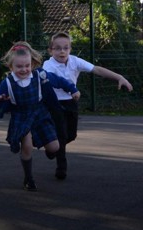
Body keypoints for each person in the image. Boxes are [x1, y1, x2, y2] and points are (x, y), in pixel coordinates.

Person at [43, 32, 133, 180]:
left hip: (71, 102)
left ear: (70, 49)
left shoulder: (74, 61)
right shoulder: (48, 65)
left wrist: (119, 77)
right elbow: (55, 80)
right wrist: (71, 89)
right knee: (61, 134)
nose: (62, 51)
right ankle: (61, 168)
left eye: (66, 48)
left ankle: (52, 148)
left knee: (71, 135)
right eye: (57, 48)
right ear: (50, 50)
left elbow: (96, 69)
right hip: (54, 103)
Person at [0, 41, 80, 191]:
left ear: (32, 64)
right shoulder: (7, 82)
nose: (24, 69)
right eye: (19, 67)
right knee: (26, 147)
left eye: (27, 65)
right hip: (21, 116)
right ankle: (28, 178)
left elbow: (59, 81)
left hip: (40, 113)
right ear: (10, 66)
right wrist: (0, 101)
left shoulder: (40, 75)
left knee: (55, 147)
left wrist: (73, 89)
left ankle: (46, 146)